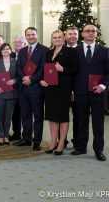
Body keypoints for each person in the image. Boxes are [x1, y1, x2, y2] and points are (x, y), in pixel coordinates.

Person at [71, 24, 109, 162]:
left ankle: (98, 150)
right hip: (80, 92)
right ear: (82, 34)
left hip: (98, 92)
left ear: (96, 34)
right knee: (81, 121)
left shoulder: (105, 51)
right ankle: (81, 147)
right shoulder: (76, 51)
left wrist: (103, 85)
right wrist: (72, 90)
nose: (91, 33)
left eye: (93, 31)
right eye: (88, 31)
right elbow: (72, 72)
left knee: (98, 122)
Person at [40, 30, 78, 155]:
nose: (57, 39)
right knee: (52, 116)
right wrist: (43, 80)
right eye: (54, 37)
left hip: (63, 88)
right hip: (50, 88)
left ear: (64, 38)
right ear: (52, 39)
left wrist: (62, 69)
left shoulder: (70, 51)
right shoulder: (49, 53)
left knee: (62, 116)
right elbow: (45, 70)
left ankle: (61, 143)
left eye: (59, 37)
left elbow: (76, 70)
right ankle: (53, 142)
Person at [14, 27, 49, 151]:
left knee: (38, 116)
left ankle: (36, 141)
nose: (31, 37)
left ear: (37, 35)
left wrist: (31, 79)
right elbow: (18, 67)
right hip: (23, 88)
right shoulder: (22, 50)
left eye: (33, 34)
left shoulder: (44, 50)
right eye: (28, 35)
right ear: (26, 36)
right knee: (25, 115)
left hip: (36, 89)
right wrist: (24, 77)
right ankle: (26, 139)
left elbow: (43, 69)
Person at [0, 43, 18, 146]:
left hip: (11, 93)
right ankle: (0, 136)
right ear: (1, 52)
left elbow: (19, 76)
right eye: (3, 49)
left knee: (8, 116)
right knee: (0, 115)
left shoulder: (16, 62)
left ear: (11, 50)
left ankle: (6, 135)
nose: (5, 51)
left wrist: (14, 81)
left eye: (7, 49)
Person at [9, 35, 26, 141]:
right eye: (15, 42)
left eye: (20, 42)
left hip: (25, 87)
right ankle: (16, 133)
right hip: (11, 88)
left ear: (24, 44)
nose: (17, 44)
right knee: (14, 112)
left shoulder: (27, 55)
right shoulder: (10, 55)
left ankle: (26, 135)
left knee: (25, 113)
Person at [64, 26, 79, 148]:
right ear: (65, 36)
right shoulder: (60, 50)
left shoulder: (82, 50)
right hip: (62, 90)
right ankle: (62, 141)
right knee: (61, 116)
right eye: (70, 34)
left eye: (75, 34)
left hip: (79, 90)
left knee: (78, 117)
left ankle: (77, 141)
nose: (72, 36)